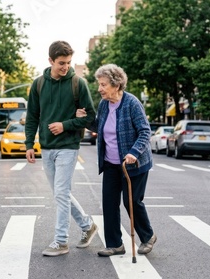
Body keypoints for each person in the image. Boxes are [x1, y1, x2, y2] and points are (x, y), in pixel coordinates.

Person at [24, 40, 97, 257]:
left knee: (62, 192)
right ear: (50, 61)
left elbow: (91, 117)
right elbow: (32, 117)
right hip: (47, 147)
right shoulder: (38, 85)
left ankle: (61, 241)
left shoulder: (78, 83)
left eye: (68, 63)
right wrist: (29, 144)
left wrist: (65, 125)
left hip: (68, 146)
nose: (65, 67)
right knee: (60, 194)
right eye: (61, 63)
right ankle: (87, 226)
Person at [77, 64, 156, 257]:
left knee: (132, 202)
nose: (100, 89)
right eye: (99, 84)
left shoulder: (131, 103)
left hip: (134, 163)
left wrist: (134, 152)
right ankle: (115, 244)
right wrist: (85, 119)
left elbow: (145, 131)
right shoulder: (104, 105)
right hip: (111, 163)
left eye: (104, 85)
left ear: (116, 84)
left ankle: (148, 237)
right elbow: (99, 126)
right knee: (109, 203)